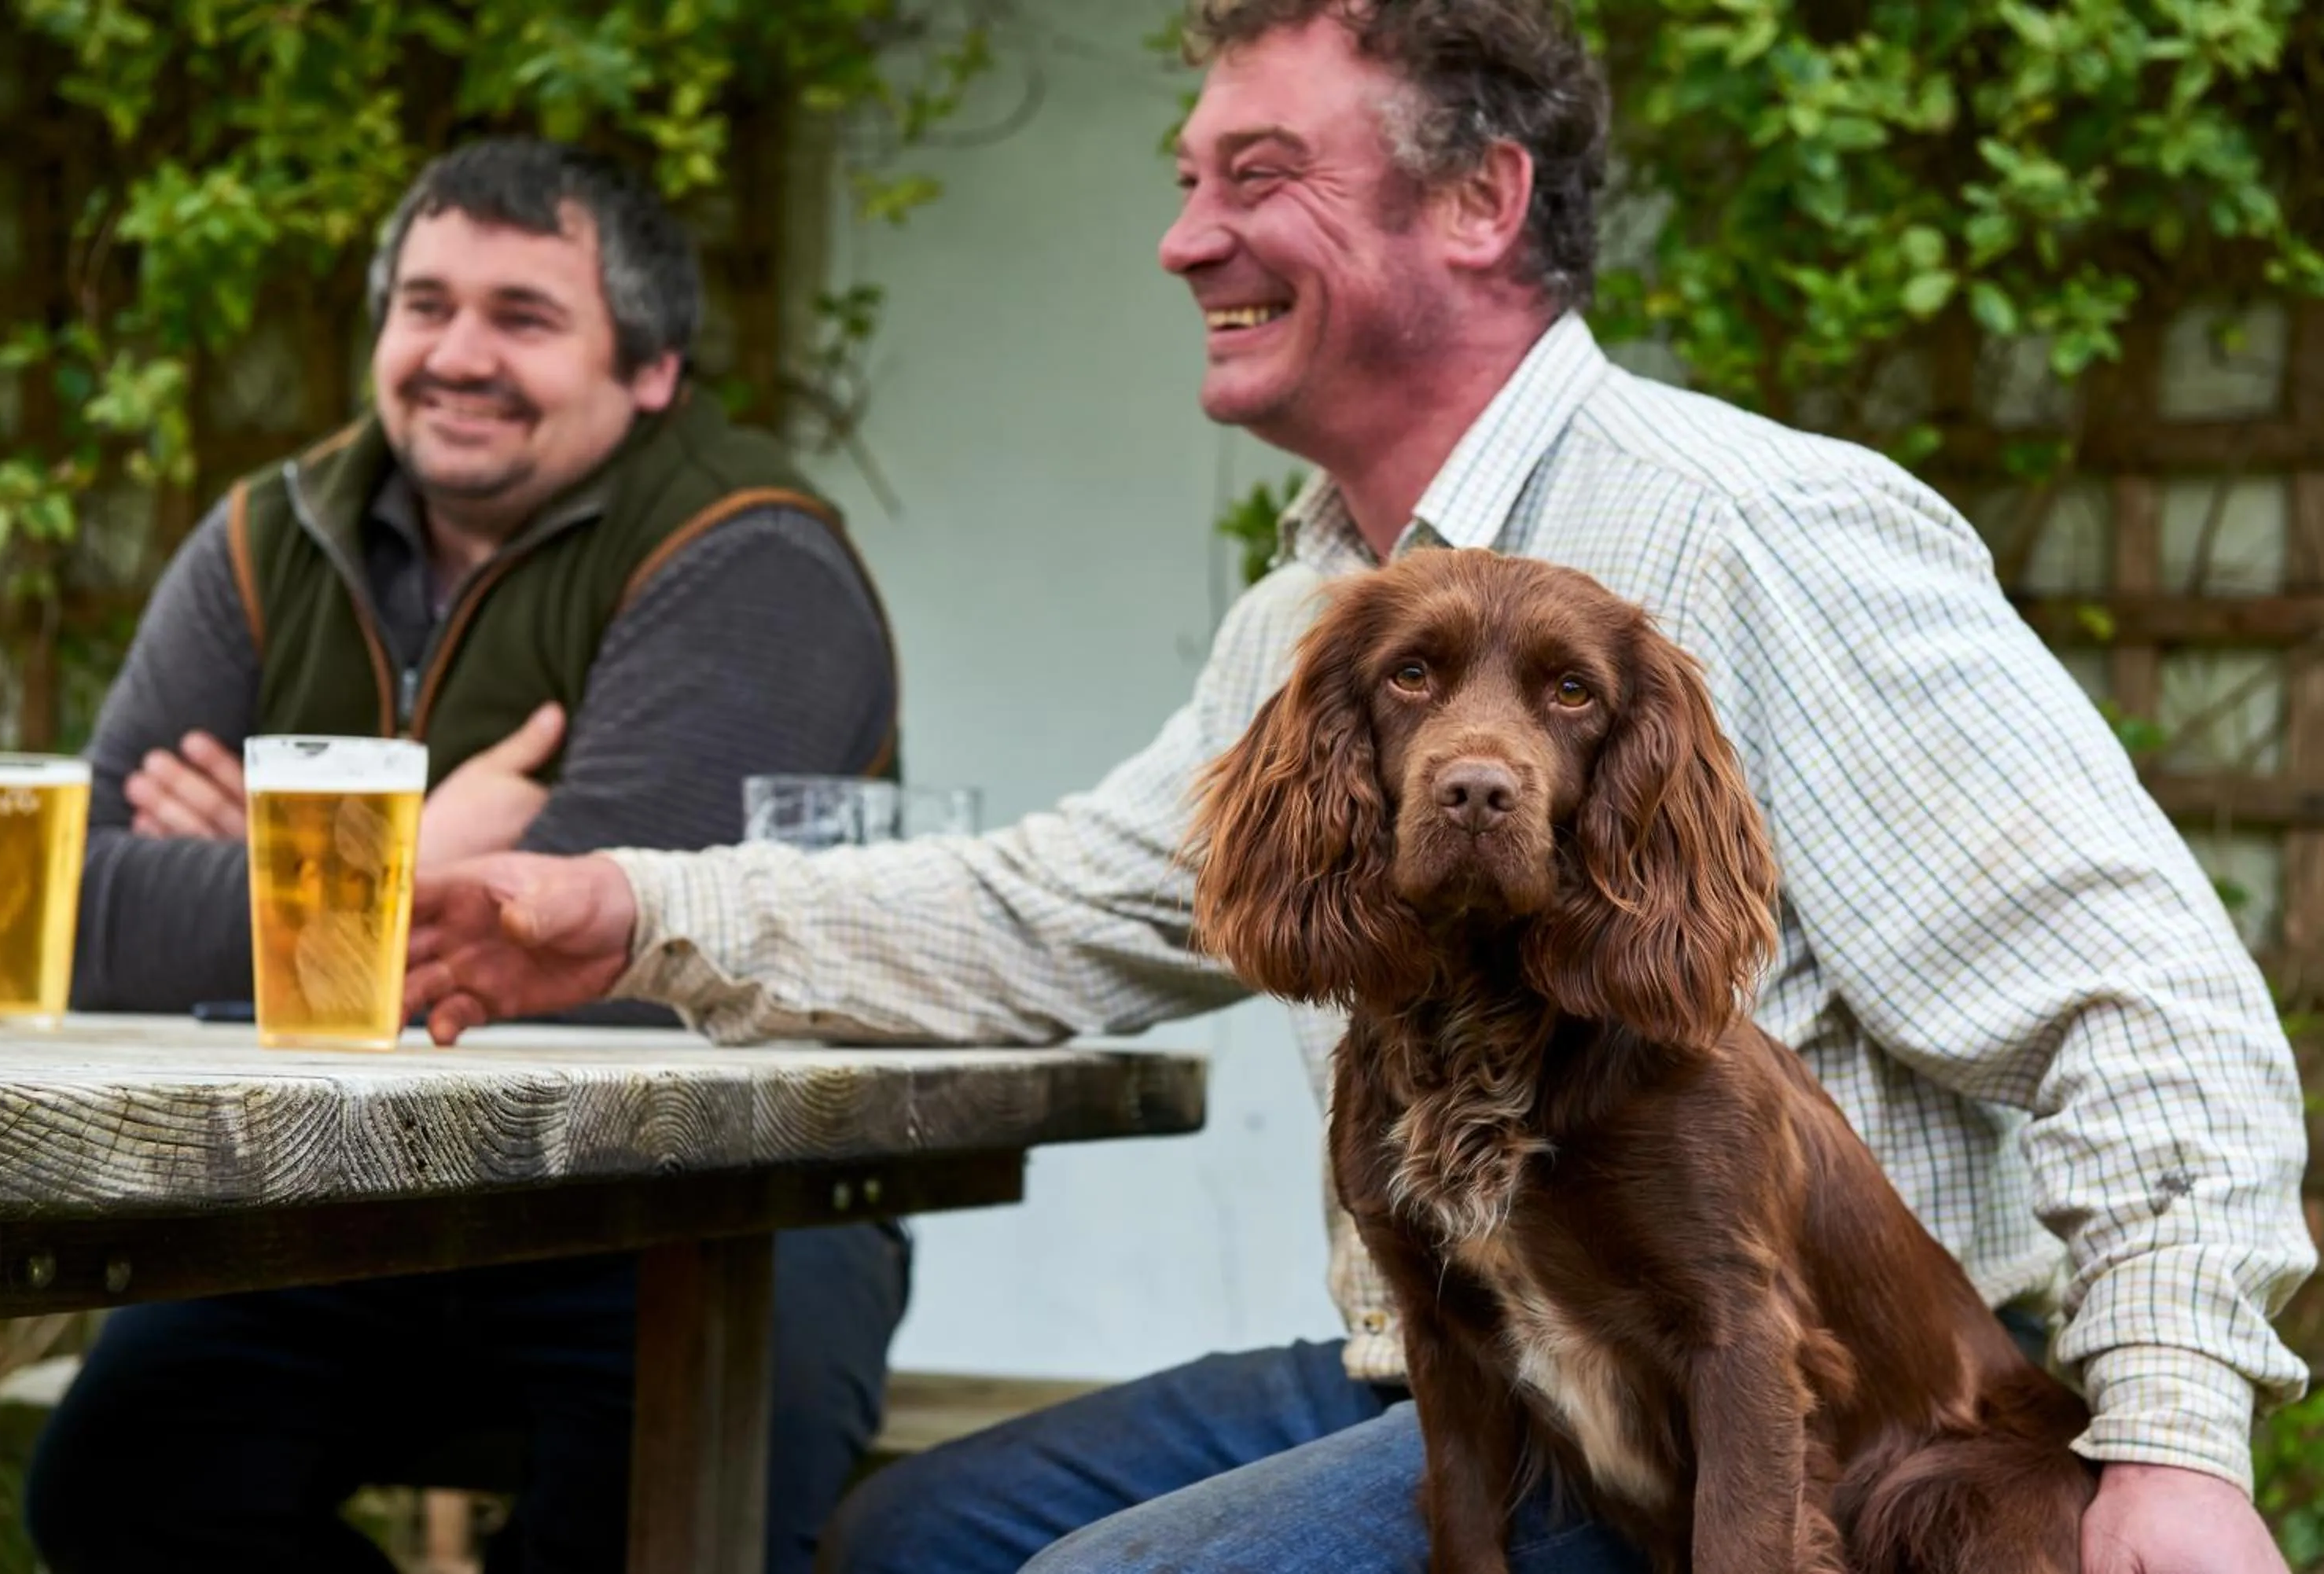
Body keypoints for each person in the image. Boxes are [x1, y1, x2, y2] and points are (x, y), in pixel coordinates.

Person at [400, 7, 2317, 1572]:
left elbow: (2143, 990)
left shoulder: (1756, 525)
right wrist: (632, 911)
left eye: (1258, 177)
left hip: (1793, 1425)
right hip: (1457, 1364)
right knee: (920, 1528)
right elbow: (1063, 905)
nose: (1183, 239)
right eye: (1184, 183)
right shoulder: (1317, 619)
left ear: (1482, 199)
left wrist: (2168, 1441)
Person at [29, 137, 910, 1574]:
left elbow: (569, 954)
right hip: (333, 1204)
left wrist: (269, 868)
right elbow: (62, 904)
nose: (457, 353)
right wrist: (424, 846)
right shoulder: (270, 533)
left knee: (665, 1533)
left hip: (690, 1209)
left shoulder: (751, 557)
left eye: (523, 315)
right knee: (120, 1484)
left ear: (652, 370)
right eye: (425, 304)